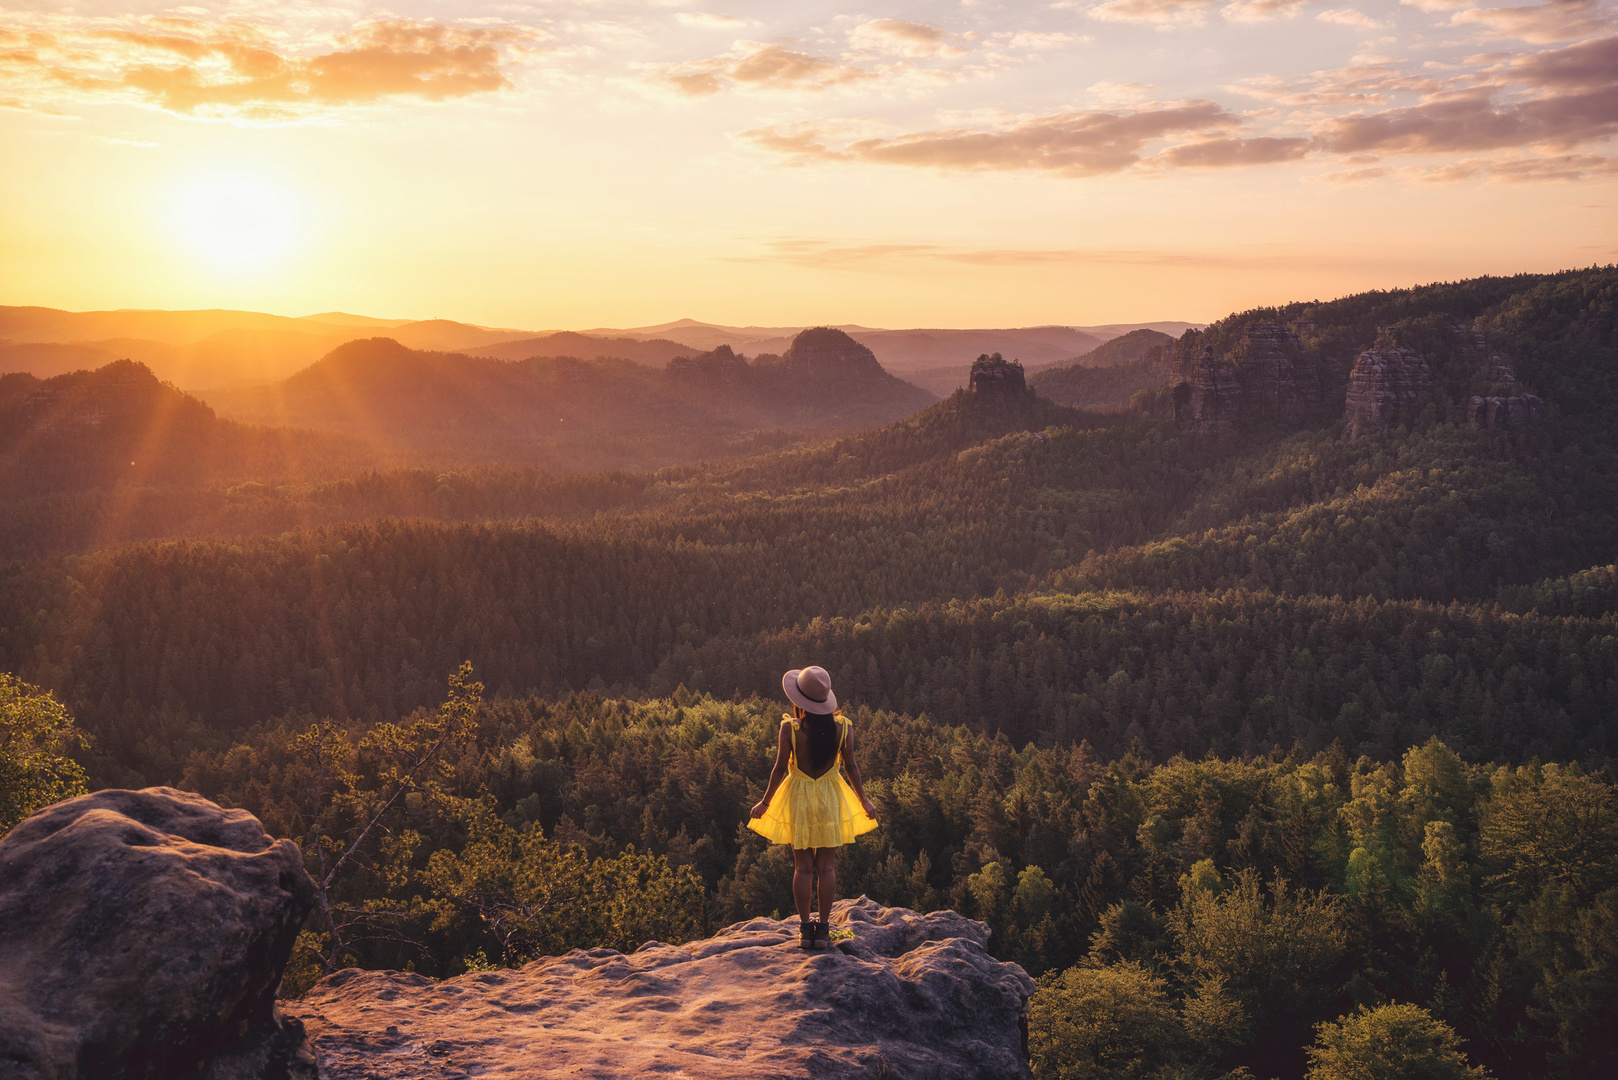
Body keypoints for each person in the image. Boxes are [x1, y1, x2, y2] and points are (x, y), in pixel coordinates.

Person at [748, 665, 879, 950]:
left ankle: (805, 930)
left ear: (799, 702)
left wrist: (765, 802)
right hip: (830, 797)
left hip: (799, 799)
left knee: (803, 867)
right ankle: (823, 931)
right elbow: (852, 766)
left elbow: (780, 769)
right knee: (827, 867)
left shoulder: (790, 729)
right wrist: (864, 800)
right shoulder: (844, 727)